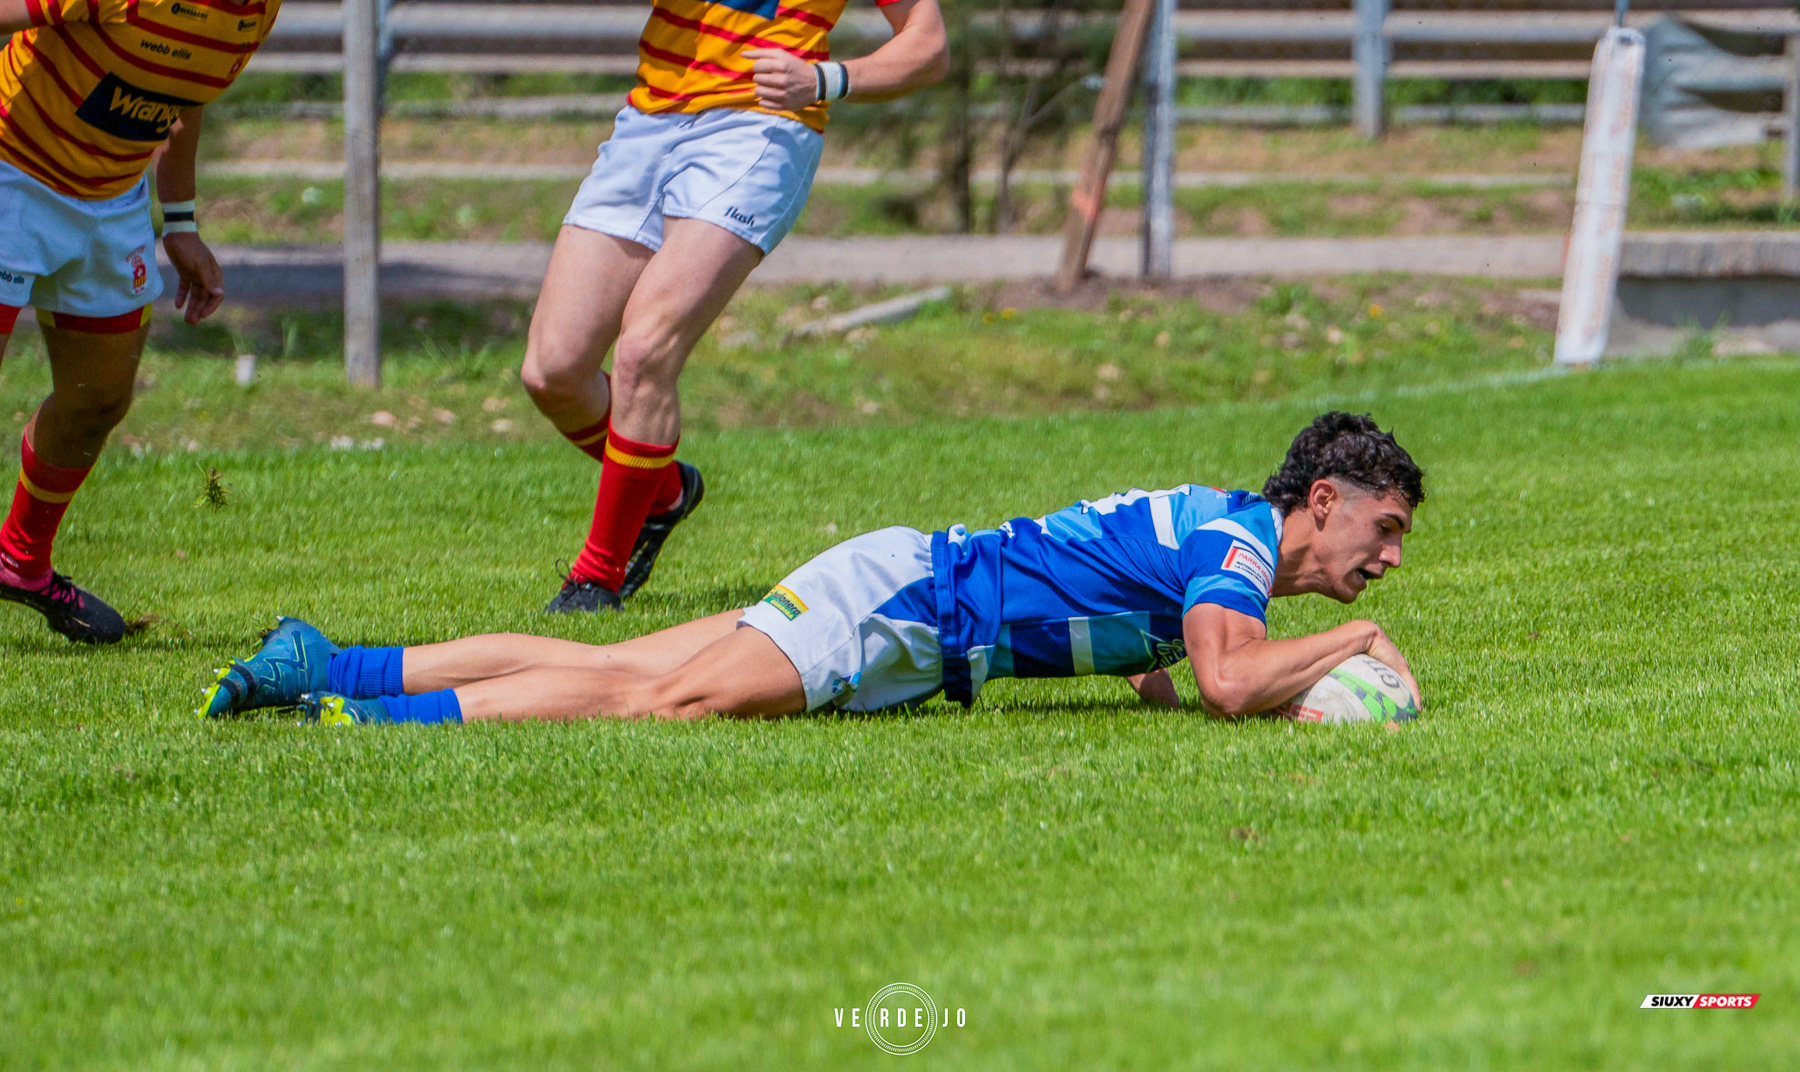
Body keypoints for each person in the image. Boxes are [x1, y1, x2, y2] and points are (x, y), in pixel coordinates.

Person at [201, 412, 1427, 725]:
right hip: (904, 612)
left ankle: (328, 658)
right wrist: (1355, 655)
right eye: (1386, 527)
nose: (1389, 557)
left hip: (899, 583)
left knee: (618, 658)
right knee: (658, 699)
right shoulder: (1234, 549)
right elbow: (1224, 679)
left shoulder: (1224, 550)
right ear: (1323, 500)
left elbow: (1161, 667)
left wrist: (1273, 683)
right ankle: (364, 717)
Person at [519, 0, 949, 613]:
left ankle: (594, 581)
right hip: (650, 117)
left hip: (759, 125)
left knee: (647, 348)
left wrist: (826, 79)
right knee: (553, 370)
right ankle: (665, 493)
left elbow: (928, 44)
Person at [0, 0, 278, 642]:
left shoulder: (257, 12)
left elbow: (185, 94)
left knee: (97, 399)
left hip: (112, 197)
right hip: (12, 168)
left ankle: (20, 563)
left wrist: (179, 222)